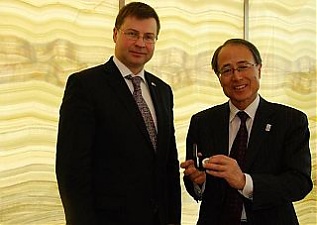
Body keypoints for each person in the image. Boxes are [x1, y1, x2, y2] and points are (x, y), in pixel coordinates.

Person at [56, 2, 181, 225]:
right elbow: (72, 169)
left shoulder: (162, 90)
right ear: (115, 34)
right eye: (132, 34)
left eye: (148, 37)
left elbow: (168, 163)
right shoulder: (85, 86)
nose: (140, 43)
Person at [180, 38, 312, 225]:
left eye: (243, 67)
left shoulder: (290, 120)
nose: (237, 77)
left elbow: (299, 183)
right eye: (226, 70)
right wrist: (199, 182)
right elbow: (196, 185)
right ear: (218, 77)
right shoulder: (202, 122)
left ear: (259, 68)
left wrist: (244, 181)